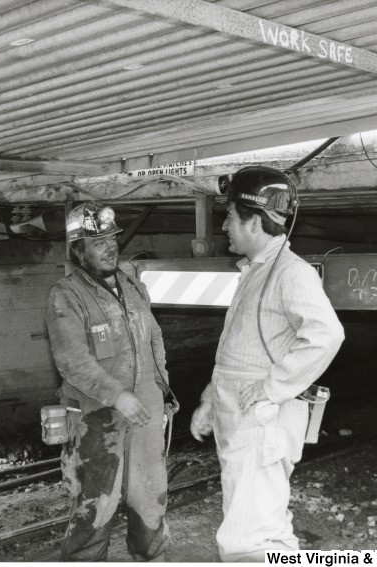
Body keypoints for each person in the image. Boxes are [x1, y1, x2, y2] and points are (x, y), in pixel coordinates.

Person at [190, 166, 344, 561]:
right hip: (244, 420)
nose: (223, 225)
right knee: (255, 525)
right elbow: (238, 351)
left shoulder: (291, 273)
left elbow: (326, 335)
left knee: (252, 538)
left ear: (254, 222)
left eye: (228, 216)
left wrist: (273, 387)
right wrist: (210, 400)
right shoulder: (254, 272)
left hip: (261, 423)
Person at [44, 202, 174, 561]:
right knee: (96, 505)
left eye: (112, 238)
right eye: (97, 241)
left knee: (150, 496)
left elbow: (154, 337)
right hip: (96, 418)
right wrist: (118, 395)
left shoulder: (132, 285)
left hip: (144, 412)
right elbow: (72, 361)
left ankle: (151, 557)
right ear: (78, 251)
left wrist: (159, 386)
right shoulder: (66, 295)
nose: (110, 246)